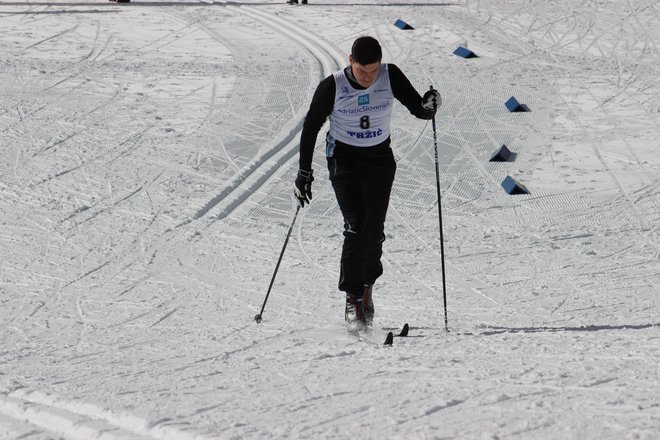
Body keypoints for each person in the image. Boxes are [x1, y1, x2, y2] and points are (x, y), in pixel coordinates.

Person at [294, 36, 440, 332]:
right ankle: (352, 297)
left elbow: (418, 109)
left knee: (374, 232)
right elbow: (311, 126)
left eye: (373, 71)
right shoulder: (333, 85)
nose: (369, 78)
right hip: (344, 159)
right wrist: (304, 172)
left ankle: (367, 286)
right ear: (350, 61)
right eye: (362, 71)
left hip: (379, 160)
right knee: (356, 225)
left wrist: (430, 105)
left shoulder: (391, 75)